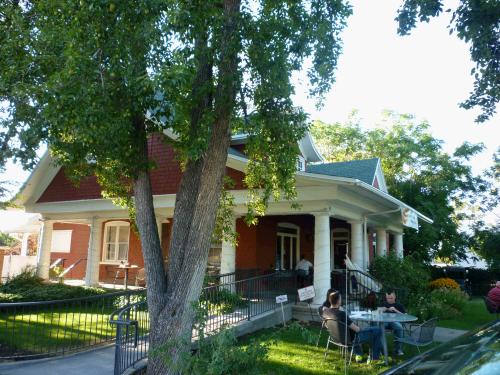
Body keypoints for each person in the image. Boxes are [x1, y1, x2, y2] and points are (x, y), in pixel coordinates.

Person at [324, 290, 382, 363]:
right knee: (378, 330)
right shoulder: (342, 314)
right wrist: (363, 329)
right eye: (341, 299)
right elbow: (357, 329)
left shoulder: (326, 312)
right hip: (350, 339)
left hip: (335, 338)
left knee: (355, 331)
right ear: (338, 301)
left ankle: (359, 355)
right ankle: (375, 359)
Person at [379, 290, 406, 356]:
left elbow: (405, 316)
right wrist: (385, 309)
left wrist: (395, 310)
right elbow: (376, 312)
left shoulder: (399, 305)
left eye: (391, 298)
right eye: (388, 298)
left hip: (394, 322)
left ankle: (398, 349)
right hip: (384, 322)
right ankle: (381, 350)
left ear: (395, 297)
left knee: (399, 328)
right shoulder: (383, 304)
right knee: (379, 329)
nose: (389, 300)